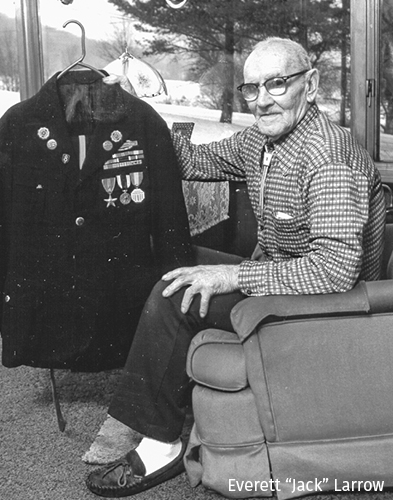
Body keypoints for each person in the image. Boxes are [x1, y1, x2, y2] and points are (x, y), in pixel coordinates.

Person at [84, 37, 385, 498]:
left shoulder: (329, 155)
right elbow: (192, 161)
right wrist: (145, 107)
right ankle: (151, 403)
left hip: (328, 311)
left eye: (278, 84)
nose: (262, 100)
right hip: (282, 282)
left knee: (173, 298)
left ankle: (160, 443)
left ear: (311, 84)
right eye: (252, 88)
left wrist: (234, 275)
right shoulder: (262, 139)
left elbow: (335, 270)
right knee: (172, 265)